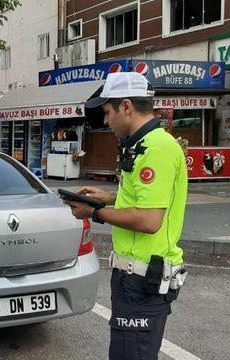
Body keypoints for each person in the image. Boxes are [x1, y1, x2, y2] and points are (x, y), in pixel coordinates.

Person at [64, 72, 187, 360]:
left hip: (143, 280)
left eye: (108, 112)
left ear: (127, 107)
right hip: (133, 277)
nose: (106, 121)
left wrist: (95, 212)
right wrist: (108, 198)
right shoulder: (141, 144)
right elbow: (144, 201)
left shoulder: (156, 148)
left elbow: (149, 220)